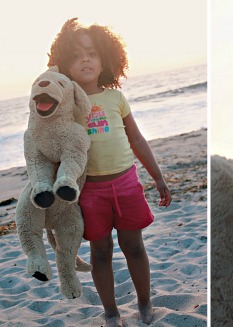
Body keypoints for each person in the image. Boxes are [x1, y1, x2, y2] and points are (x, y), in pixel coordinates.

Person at [47, 18, 172, 326]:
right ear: (65, 64)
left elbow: (137, 139)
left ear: (105, 57)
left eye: (91, 53)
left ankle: (144, 303)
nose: (85, 59)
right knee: (100, 252)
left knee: (133, 246)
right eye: (75, 56)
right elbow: (54, 148)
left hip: (126, 183)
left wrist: (157, 176)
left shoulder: (115, 98)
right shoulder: (66, 104)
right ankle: (112, 313)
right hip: (90, 191)